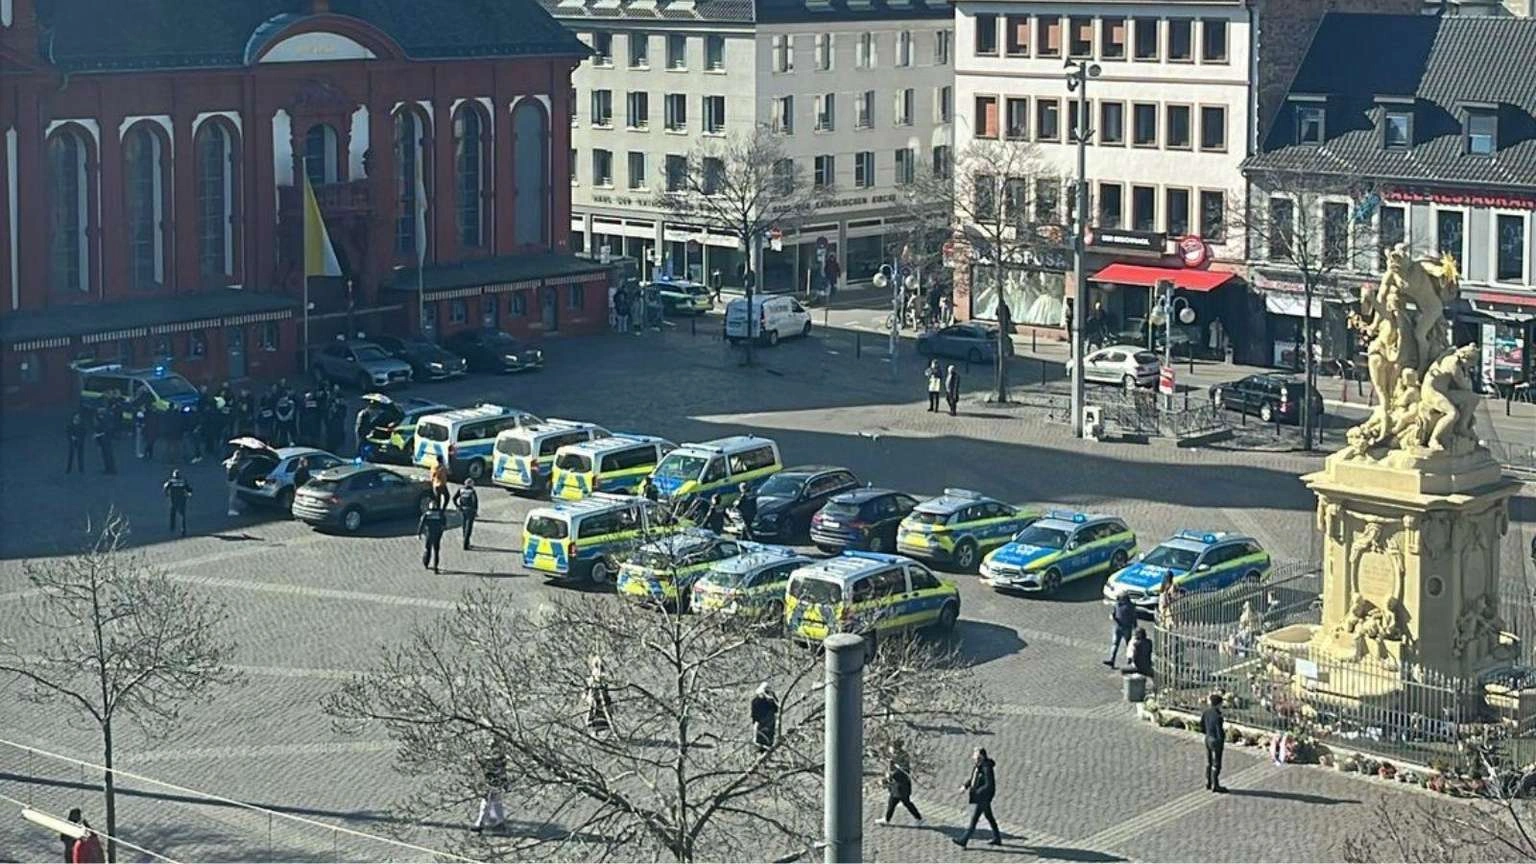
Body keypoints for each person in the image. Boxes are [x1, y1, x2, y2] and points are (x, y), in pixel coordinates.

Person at [953, 747, 1001, 848]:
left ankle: (963, 840)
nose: (974, 757)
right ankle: (997, 838)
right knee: (989, 817)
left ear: (981, 756)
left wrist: (978, 792)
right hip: (981, 798)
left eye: (976, 755)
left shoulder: (986, 768)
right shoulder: (978, 766)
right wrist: (965, 786)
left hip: (983, 798)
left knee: (974, 819)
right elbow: (973, 779)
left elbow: (989, 784)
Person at [879, 742, 922, 826]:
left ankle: (919, 818)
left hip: (901, 787)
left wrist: (891, 775)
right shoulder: (895, 757)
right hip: (896, 787)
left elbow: (903, 772)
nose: (890, 750)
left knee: (905, 803)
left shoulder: (902, 758)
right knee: (892, 802)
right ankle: (887, 819)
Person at [471, 743, 508, 833]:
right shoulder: (498, 747)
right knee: (494, 799)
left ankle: (481, 823)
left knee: (490, 799)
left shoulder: (495, 752)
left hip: (493, 778)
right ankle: (499, 822)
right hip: (492, 777)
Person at [1201, 693, 1227, 792]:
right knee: (1217, 764)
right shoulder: (1218, 716)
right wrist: (1221, 739)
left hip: (1208, 738)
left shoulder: (1206, 712)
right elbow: (1219, 730)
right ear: (1218, 704)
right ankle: (1215, 784)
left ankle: (1208, 782)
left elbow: (1202, 725)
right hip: (1216, 741)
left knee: (1209, 761)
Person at [1105, 594, 1137, 667]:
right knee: (1128, 644)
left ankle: (1112, 659)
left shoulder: (1118, 605)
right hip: (1125, 628)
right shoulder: (1130, 606)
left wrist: (1113, 617)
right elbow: (1134, 617)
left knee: (1117, 644)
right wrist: (1135, 627)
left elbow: (1113, 614)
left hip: (1120, 627)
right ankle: (1129, 658)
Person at [585, 656, 614, 733]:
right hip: (595, 697)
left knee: (602, 709)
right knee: (594, 708)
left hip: (602, 698)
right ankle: (595, 725)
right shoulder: (594, 675)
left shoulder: (604, 674)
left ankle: (604, 724)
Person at [164, 469, 193, 536]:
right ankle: (183, 529)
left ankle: (172, 527)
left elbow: (166, 488)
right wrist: (189, 493)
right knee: (183, 515)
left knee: (172, 513)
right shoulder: (182, 481)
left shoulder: (171, 481)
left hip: (173, 500)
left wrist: (166, 494)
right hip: (182, 500)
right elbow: (188, 488)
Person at [419, 504, 447, 573]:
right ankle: (435, 567)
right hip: (437, 534)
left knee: (428, 549)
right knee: (436, 551)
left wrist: (419, 533)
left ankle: (426, 563)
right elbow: (444, 525)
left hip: (429, 534)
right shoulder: (440, 514)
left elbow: (422, 524)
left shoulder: (427, 514)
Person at [750, 682, 778, 752]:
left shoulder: (771, 698)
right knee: (762, 734)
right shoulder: (756, 700)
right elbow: (754, 714)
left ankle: (767, 746)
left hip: (769, 721)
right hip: (762, 721)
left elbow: (776, 708)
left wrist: (771, 698)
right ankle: (761, 747)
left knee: (768, 734)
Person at [455, 479, 479, 550]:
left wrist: (458, 506)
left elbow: (454, 498)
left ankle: (465, 541)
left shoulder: (461, 490)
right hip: (470, 510)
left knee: (464, 525)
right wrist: (475, 511)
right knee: (469, 527)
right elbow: (475, 502)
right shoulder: (472, 491)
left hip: (463, 510)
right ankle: (466, 544)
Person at [223, 447, 245, 517]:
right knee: (233, 495)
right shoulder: (234, 464)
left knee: (233, 495)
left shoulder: (229, 461)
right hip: (233, 480)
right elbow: (236, 472)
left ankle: (233, 508)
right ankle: (231, 509)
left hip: (229, 480)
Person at [93, 409, 116, 475]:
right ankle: (108, 468)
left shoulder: (107, 417)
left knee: (107, 454)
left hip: (105, 438)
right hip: (103, 438)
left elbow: (107, 429)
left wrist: (99, 434)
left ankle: (110, 469)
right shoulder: (103, 416)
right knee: (105, 454)